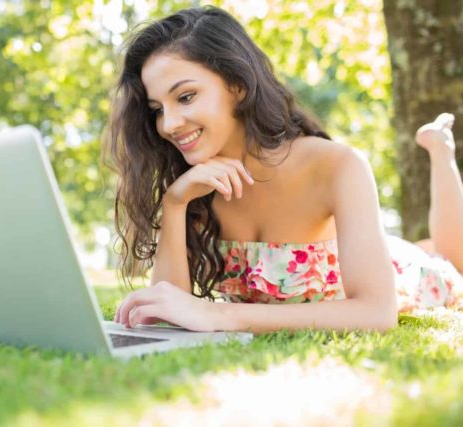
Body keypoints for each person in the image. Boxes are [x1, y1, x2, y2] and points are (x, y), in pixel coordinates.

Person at [105, 6, 463, 333]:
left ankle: (439, 150)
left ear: (238, 86)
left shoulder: (336, 164)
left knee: (453, 261)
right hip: (370, 254)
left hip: (405, 273)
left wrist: (220, 315)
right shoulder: (196, 185)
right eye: (156, 109)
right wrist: (174, 202)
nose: (169, 124)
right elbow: (167, 310)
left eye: (185, 97)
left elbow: (376, 313)